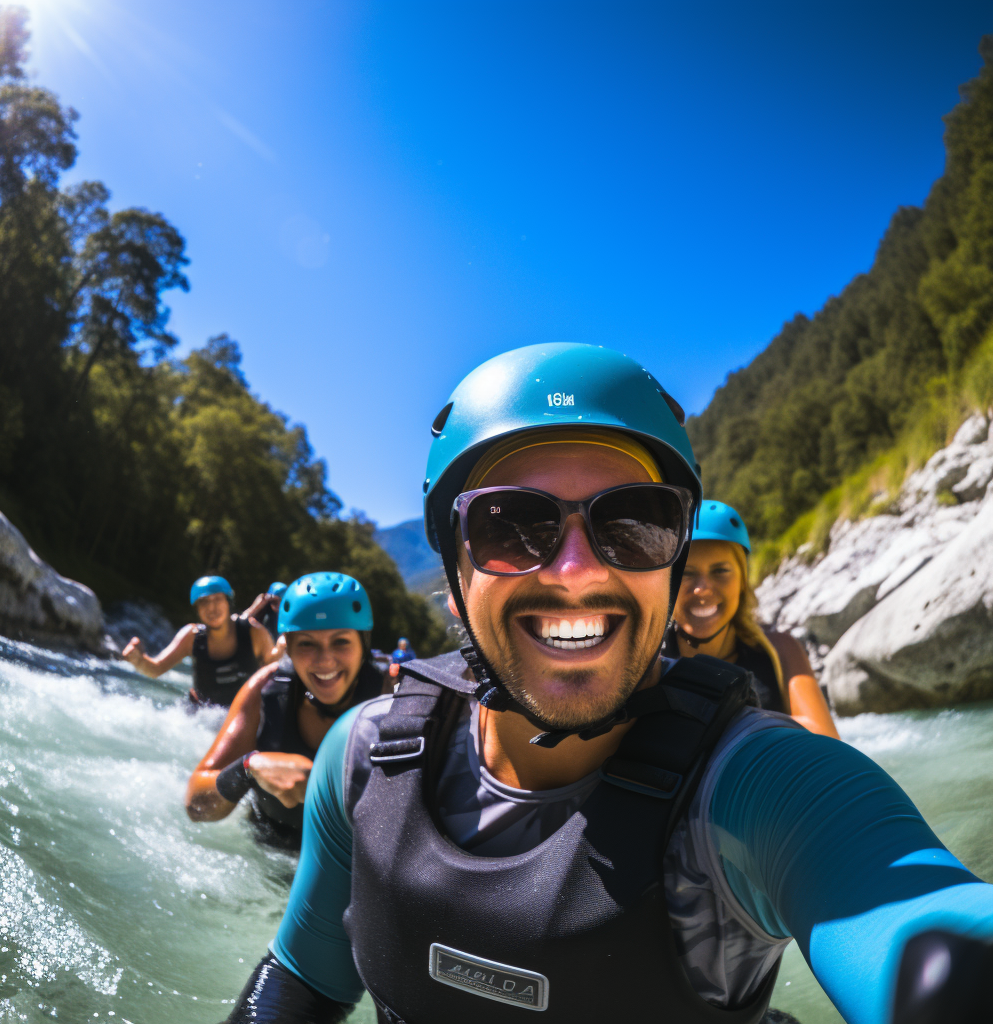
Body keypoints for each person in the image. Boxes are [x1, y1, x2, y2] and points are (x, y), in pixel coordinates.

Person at [223, 344, 993, 1024]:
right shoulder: (363, 762)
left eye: (636, 523)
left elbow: (920, 921)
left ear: (674, 556)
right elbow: (300, 983)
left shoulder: (761, 786)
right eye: (510, 524)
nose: (576, 570)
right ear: (453, 567)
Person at [184, 572, 389, 848]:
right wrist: (248, 769)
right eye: (306, 643)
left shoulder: (392, 695)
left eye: (341, 641)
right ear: (288, 647)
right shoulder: (266, 689)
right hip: (269, 849)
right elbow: (195, 806)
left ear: (363, 645)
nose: (325, 660)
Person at [665, 499, 839, 738]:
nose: (702, 589)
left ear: (742, 582)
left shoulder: (780, 650)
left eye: (720, 571)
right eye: (686, 573)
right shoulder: (648, 662)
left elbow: (826, 740)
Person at [121, 575, 274, 708]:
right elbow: (156, 668)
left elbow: (275, 672)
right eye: (204, 602)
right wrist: (139, 661)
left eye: (217, 599)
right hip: (202, 715)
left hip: (243, 714)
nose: (211, 608)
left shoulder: (254, 633)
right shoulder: (191, 636)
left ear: (229, 602)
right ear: (197, 609)